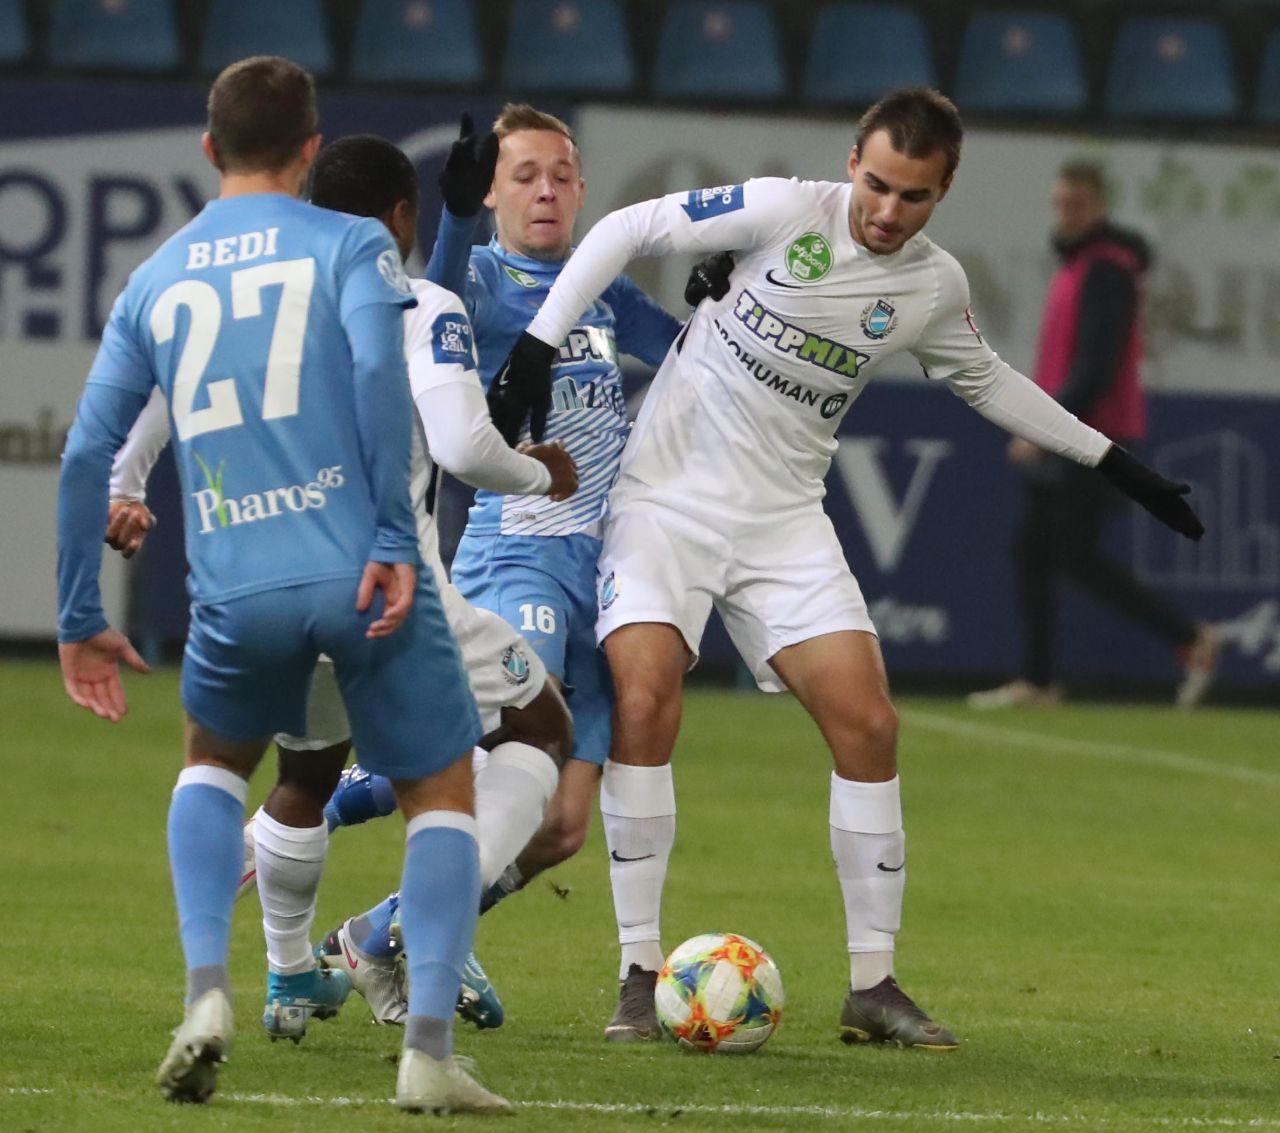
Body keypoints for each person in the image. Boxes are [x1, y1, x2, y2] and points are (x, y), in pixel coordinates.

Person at [485, 88, 1205, 1045]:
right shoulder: (785, 209)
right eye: (877, 185)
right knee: (647, 699)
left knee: (869, 724)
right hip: (665, 503)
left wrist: (1115, 463)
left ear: (943, 191)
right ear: (852, 163)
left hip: (783, 521)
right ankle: (638, 972)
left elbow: (988, 380)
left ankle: (872, 983)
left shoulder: (932, 287)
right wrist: (536, 347)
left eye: (913, 195)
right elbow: (624, 228)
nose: (887, 210)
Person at [57, 57, 507, 1114]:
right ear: (310, 150)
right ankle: (428, 1051)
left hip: (235, 584)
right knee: (441, 789)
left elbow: (86, 453)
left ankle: (206, 993)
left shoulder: (156, 277)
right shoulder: (350, 244)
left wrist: (80, 614)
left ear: (207, 148)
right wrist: (392, 531)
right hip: (357, 572)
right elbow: (376, 373)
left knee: (215, 766)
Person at [106, 133, 581, 1032]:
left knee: (307, 769)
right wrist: (537, 473)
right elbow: (463, 446)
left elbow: (164, 387)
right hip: (393, 593)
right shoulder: (420, 302)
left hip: (270, 581)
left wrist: (125, 485)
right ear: (401, 218)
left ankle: (289, 976)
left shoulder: (259, 300)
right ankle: (399, 937)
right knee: (540, 724)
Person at [320, 106, 731, 959]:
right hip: (519, 547)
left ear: (582, 192)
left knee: (561, 827)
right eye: (524, 175)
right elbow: (435, 290)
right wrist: (455, 219)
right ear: (493, 193)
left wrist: (726, 303)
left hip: (604, 571)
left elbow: (692, 361)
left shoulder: (602, 288)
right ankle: (315, 804)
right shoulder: (473, 281)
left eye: (561, 175)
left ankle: (377, 937)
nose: (545, 190)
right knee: (510, 727)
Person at [967, 160, 1221, 711]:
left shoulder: (1106, 269)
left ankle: (1190, 639)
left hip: (1094, 437)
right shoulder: (1082, 266)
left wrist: (1043, 424)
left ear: (1100, 208)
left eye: (1076, 204)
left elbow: (1096, 366)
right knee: (1038, 549)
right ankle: (1040, 680)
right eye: (1060, 203)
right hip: (1075, 430)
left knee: (1069, 554)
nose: (1065, 213)